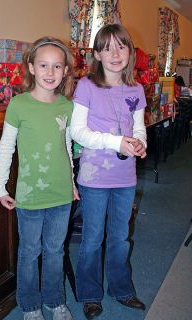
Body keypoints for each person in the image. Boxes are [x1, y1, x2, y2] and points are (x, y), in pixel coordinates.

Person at [0, 37, 79, 320]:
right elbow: (6, 147)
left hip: (61, 195)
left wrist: (73, 182)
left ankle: (55, 301)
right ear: (31, 67)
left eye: (57, 66)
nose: (50, 72)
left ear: (65, 70)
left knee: (55, 251)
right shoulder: (18, 105)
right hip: (29, 197)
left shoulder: (66, 106)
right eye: (43, 65)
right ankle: (30, 306)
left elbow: (67, 147)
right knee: (29, 253)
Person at [70, 23, 147, 320]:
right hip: (94, 178)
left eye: (121, 46)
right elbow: (78, 132)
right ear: (97, 55)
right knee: (92, 239)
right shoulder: (87, 86)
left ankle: (122, 289)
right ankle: (90, 294)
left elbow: (138, 127)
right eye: (107, 48)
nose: (115, 53)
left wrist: (139, 143)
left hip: (125, 176)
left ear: (130, 51)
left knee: (119, 237)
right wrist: (116, 141)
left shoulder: (137, 89)